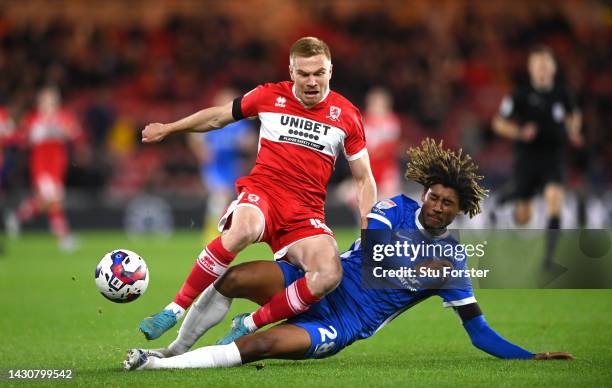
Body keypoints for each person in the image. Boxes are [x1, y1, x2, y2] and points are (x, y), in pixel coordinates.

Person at [123, 138, 573, 371]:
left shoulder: (453, 263)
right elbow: (377, 262)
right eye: (433, 196)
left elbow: (478, 331)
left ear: (461, 211)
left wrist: (526, 357)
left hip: (339, 324)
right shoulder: (392, 209)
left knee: (259, 344)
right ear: (425, 194)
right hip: (316, 284)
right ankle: (173, 349)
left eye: (447, 203)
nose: (436, 206)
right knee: (233, 279)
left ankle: (161, 369)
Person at [139, 37, 377, 341]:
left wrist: (369, 225)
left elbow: (364, 178)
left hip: (305, 213)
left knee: (329, 274)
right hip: (263, 194)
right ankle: (174, 309)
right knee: (243, 229)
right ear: (291, 71)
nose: (312, 81)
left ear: (330, 70)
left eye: (319, 72)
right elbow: (216, 117)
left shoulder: (346, 115)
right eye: (304, 74)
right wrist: (169, 128)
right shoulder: (268, 96)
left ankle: (249, 324)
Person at [492, 45, 582, 269]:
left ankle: (549, 260)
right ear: (531, 69)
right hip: (527, 159)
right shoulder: (519, 95)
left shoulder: (562, 93)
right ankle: (505, 200)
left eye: (545, 65)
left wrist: (572, 131)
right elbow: (499, 122)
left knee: (554, 200)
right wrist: (520, 133)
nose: (542, 69)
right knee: (524, 216)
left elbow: (574, 115)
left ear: (553, 68)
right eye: (538, 65)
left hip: (553, 156)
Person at [5, 86, 86, 251]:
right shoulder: (33, 119)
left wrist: (67, 132)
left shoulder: (64, 117)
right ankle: (64, 239)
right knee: (54, 199)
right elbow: (22, 139)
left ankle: (18, 217)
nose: (49, 104)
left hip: (57, 165)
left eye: (52, 100)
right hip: (41, 165)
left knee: (44, 202)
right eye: (46, 100)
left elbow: (76, 134)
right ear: (40, 102)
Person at [187, 88, 256, 241]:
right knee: (220, 195)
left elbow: (250, 141)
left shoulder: (239, 123)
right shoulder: (213, 119)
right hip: (215, 167)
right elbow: (193, 134)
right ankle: (212, 232)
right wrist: (201, 151)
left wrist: (244, 145)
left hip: (232, 166)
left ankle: (225, 230)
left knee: (229, 200)